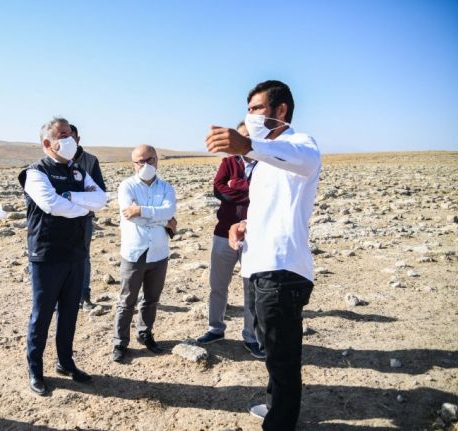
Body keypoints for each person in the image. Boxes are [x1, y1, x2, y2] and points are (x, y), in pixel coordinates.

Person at [205, 80, 321, 430]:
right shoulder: (265, 162)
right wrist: (243, 226)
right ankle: (275, 407)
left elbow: (300, 159)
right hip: (258, 267)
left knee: (283, 356)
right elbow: (269, 210)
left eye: (256, 108)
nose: (250, 115)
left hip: (282, 270)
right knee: (272, 348)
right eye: (248, 109)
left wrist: (247, 145)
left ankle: (280, 423)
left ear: (280, 110)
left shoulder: (300, 145)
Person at [18, 117, 107, 396]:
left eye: (70, 134)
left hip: (76, 252)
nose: (70, 139)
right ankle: (35, 370)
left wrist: (70, 197)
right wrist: (82, 205)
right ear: (48, 142)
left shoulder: (78, 170)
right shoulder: (35, 172)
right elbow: (52, 205)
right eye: (63, 135)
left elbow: (101, 200)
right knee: (42, 314)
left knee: (69, 311)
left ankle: (65, 362)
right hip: (47, 254)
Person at [196, 122, 265, 359]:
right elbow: (218, 189)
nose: (244, 140)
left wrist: (235, 186)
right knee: (218, 285)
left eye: (249, 136)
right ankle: (215, 328)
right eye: (241, 135)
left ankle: (251, 336)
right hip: (223, 233)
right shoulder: (228, 162)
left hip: (255, 235)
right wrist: (249, 191)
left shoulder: (266, 165)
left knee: (251, 288)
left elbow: (265, 194)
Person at [111, 145, 177, 363]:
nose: (146, 164)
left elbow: (169, 211)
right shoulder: (127, 186)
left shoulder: (166, 187)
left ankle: (144, 333)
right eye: (141, 161)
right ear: (133, 164)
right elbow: (131, 217)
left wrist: (142, 210)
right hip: (134, 251)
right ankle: (120, 342)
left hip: (159, 252)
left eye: (150, 159)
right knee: (127, 300)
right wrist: (163, 220)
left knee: (151, 299)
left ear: (157, 160)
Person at [70, 123, 106, 311]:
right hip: (59, 219)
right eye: (62, 138)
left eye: (70, 137)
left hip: (84, 218)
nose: (66, 142)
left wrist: (75, 198)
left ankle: (84, 296)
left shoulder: (90, 161)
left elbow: (99, 192)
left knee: (83, 256)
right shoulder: (53, 162)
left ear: (78, 139)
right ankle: (63, 297)